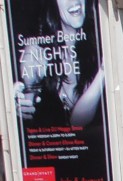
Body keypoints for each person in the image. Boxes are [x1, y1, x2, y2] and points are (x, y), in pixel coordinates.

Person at [14, 0, 105, 129]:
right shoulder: (37, 53)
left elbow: (78, 121)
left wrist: (103, 71)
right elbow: (27, 112)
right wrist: (21, 100)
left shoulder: (102, 43)